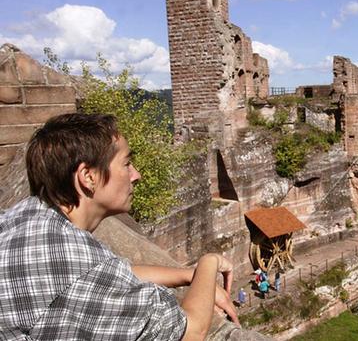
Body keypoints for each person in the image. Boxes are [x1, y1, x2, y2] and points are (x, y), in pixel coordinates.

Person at [0, 113, 239, 340]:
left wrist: (188, 275)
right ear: (88, 177)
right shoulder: (84, 268)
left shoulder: (24, 216)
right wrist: (209, 263)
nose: (137, 175)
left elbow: (109, 275)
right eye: (126, 164)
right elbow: (190, 331)